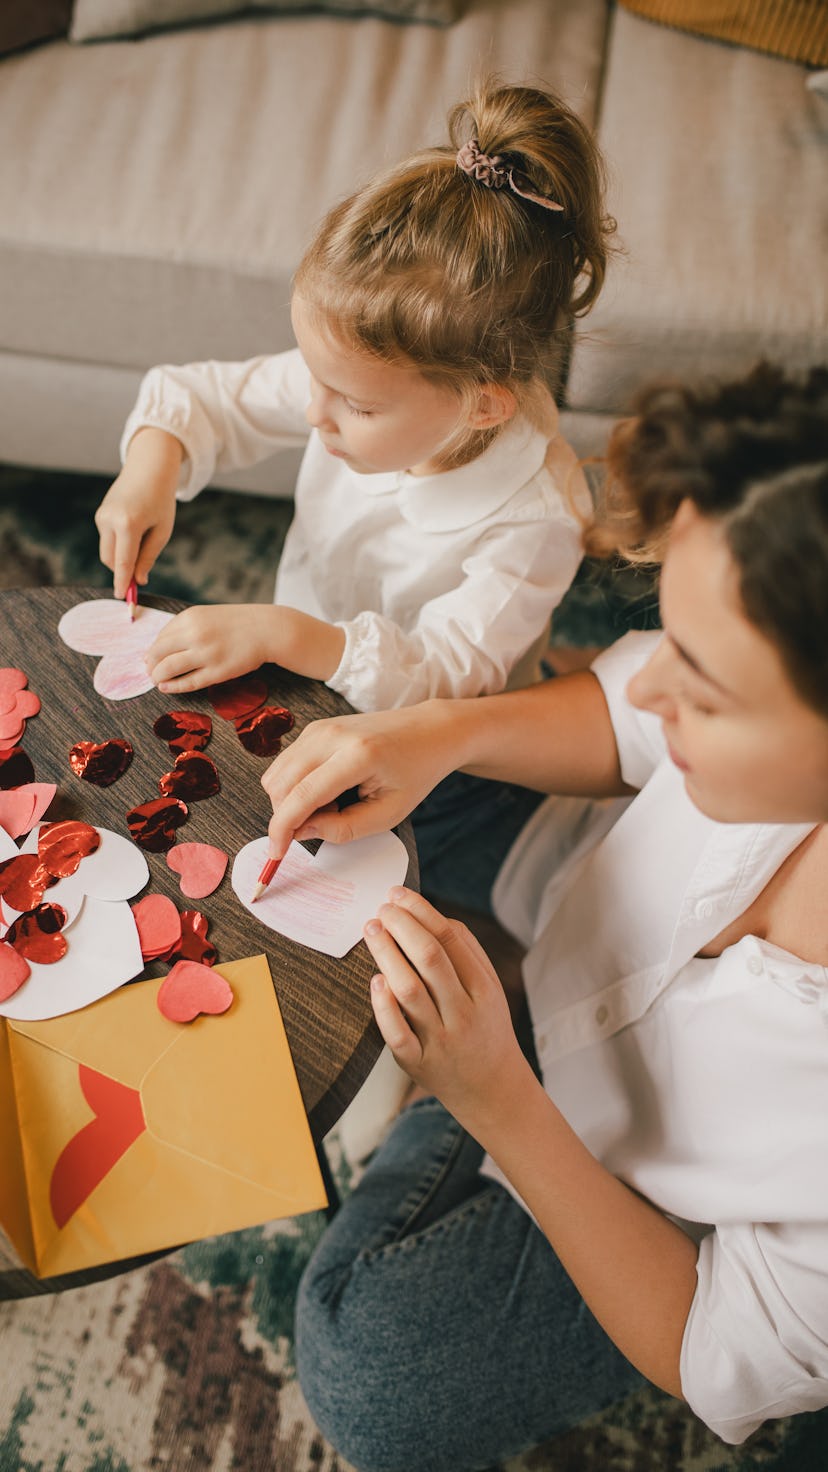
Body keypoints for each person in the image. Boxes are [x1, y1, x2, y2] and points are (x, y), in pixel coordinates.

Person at [258, 362, 828, 1468]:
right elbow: (627, 709)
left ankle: (462, 1062)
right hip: (571, 889)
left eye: (704, 688)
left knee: (369, 1374)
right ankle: (483, 992)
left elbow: (710, 1346)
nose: (656, 685)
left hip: (635, 1184)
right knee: (344, 744)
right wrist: (439, 735)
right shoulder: (746, 677)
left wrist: (496, 1101)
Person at [93, 81, 612, 723]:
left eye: (357, 408)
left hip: (438, 759)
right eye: (315, 379)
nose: (316, 413)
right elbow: (200, 397)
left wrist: (288, 635)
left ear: (483, 408)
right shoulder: (351, 382)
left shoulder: (538, 519)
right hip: (296, 671)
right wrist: (151, 468)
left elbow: (446, 678)